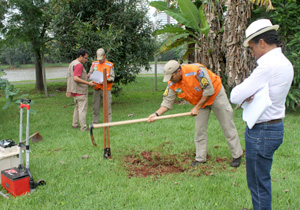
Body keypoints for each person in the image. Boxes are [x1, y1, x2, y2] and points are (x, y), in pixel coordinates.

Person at [230, 19, 294, 210]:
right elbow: (268, 92)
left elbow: (235, 95)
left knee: (258, 184)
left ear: (262, 43)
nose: (252, 53)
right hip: (274, 128)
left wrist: (246, 93)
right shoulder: (284, 62)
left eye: (252, 48)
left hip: (262, 133)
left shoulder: (267, 65)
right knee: (261, 181)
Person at [147, 60, 243, 167]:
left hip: (215, 95)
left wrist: (197, 107)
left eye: (172, 76)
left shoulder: (196, 71)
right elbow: (167, 102)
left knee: (227, 125)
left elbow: (208, 90)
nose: (170, 79)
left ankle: (237, 155)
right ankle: (200, 158)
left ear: (179, 71)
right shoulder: (172, 83)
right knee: (199, 130)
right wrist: (156, 114)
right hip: (199, 100)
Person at [66, 49, 95, 131]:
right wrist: (88, 83)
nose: (86, 60)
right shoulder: (79, 65)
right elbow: (75, 78)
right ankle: (84, 127)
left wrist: (68, 90)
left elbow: (69, 77)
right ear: (80, 56)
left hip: (74, 91)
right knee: (82, 109)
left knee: (77, 108)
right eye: (85, 58)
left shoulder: (72, 63)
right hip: (80, 91)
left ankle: (75, 124)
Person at [89, 48, 115, 123]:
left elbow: (112, 78)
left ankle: (107, 123)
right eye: (98, 58)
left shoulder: (110, 65)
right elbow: (89, 73)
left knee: (107, 107)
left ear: (105, 56)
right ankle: (95, 122)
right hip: (96, 88)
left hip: (106, 89)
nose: (100, 60)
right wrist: (90, 76)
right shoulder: (94, 64)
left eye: (101, 58)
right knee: (95, 107)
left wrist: (105, 80)